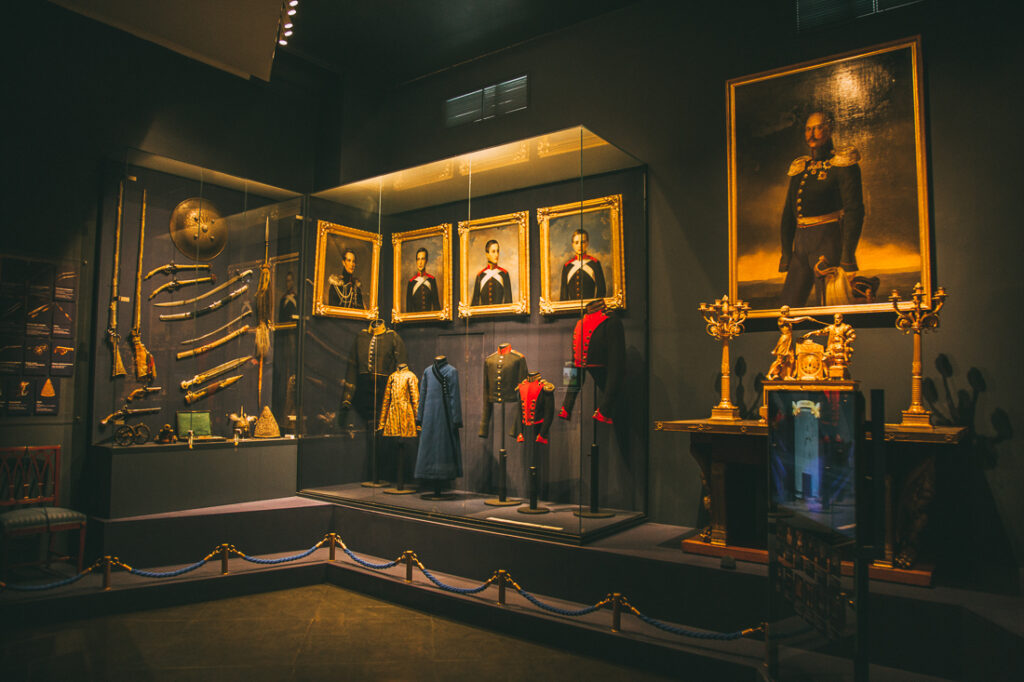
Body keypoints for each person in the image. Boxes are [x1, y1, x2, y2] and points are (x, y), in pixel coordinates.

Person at [778, 112, 864, 308]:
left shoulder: (843, 165)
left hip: (827, 244)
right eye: (808, 129)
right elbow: (788, 215)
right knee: (787, 309)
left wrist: (848, 258)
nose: (812, 134)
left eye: (817, 128)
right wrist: (786, 254)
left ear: (829, 129)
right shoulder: (801, 168)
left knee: (829, 310)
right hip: (800, 248)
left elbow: (854, 212)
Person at [766, 305, 815, 380]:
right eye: (787, 311)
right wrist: (806, 317)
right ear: (784, 311)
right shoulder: (781, 319)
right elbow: (795, 321)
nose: (788, 312)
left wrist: (806, 318)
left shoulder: (786, 319)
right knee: (779, 359)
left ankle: (788, 376)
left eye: (788, 311)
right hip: (784, 340)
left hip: (789, 340)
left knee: (791, 359)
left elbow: (795, 320)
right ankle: (769, 374)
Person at [559, 228, 606, 302]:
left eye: (582, 242)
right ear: (572, 244)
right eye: (576, 242)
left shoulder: (595, 264)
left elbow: (601, 290)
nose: (579, 246)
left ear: (587, 243)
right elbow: (563, 296)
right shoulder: (567, 266)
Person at [471, 239, 512, 306]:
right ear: (487, 254)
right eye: (493, 251)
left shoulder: (504, 274)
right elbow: (474, 303)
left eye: (497, 251)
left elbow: (509, 302)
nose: (496, 254)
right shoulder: (480, 275)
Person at [405, 247, 441, 312]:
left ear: (426, 261)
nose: (420, 262)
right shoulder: (411, 282)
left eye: (423, 259)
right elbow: (409, 309)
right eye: (418, 259)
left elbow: (436, 305)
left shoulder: (431, 280)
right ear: (416, 261)